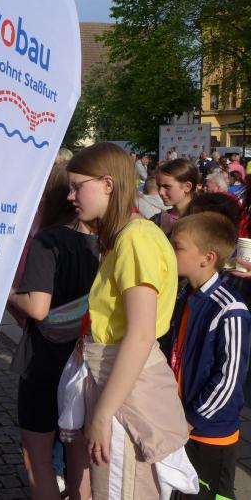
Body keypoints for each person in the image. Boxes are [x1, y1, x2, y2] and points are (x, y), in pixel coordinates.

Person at [66, 142, 189, 498]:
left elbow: (140, 334)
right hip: (118, 384)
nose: (71, 196)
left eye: (77, 187)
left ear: (107, 184)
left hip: (123, 392)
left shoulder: (135, 238)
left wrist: (102, 414)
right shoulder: (126, 236)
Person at [8, 163, 95, 500]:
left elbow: (38, 309)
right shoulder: (101, 239)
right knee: (78, 454)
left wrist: (5, 292)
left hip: (44, 361)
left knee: (38, 457)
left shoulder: (48, 240)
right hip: (85, 357)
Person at [165, 212, 251, 500]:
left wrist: (192, 419)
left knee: (211, 495)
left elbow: (228, 378)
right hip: (180, 423)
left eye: (177, 246)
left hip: (209, 433)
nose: (169, 250)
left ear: (207, 257)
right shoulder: (184, 295)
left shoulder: (230, 309)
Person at [152, 158, 199, 236]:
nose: (160, 192)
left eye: (167, 186)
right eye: (159, 186)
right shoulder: (159, 219)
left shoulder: (202, 221)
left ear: (187, 187)